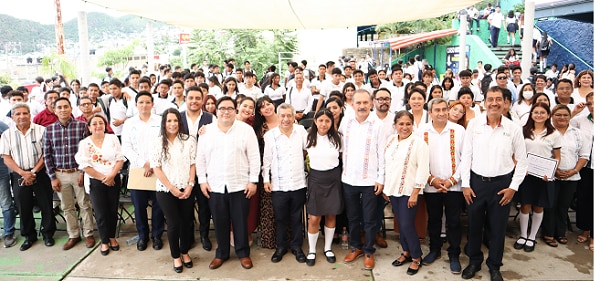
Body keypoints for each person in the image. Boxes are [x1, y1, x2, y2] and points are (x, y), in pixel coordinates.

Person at [460, 86, 527, 281]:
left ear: (506, 103)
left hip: (502, 186)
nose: (494, 103)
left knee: (497, 229)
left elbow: (522, 161)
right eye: (490, 99)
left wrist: (513, 188)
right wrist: (465, 184)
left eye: (499, 99)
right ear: (484, 102)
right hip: (476, 184)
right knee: (474, 226)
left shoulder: (513, 129)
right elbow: (466, 156)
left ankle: (495, 266)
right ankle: (474, 261)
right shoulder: (474, 125)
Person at [197, 96, 260, 270]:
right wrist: (202, 180)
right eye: (222, 108)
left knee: (240, 221)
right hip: (215, 185)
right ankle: (222, 253)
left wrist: (253, 181)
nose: (226, 111)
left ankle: (243, 253)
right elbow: (200, 158)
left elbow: (254, 157)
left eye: (230, 108)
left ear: (235, 110)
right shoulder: (207, 131)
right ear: (216, 111)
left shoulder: (246, 130)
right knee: (219, 221)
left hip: (240, 184)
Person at [416, 98, 465, 274]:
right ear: (430, 113)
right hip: (432, 186)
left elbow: (465, 158)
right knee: (434, 220)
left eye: (444, 109)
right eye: (437, 110)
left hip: (454, 186)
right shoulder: (421, 131)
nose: (442, 113)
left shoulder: (458, 130)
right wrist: (432, 180)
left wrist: (452, 180)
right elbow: (418, 160)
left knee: (453, 221)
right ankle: (434, 249)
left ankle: (454, 254)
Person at [339, 89, 386, 269]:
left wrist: (381, 178)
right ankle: (356, 247)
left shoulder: (377, 124)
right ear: (352, 104)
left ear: (371, 103)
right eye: (358, 103)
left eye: (365, 103)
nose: (362, 106)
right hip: (349, 178)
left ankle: (368, 250)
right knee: (352, 216)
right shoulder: (346, 121)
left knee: (369, 218)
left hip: (370, 180)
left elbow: (382, 153)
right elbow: (342, 147)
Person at [43, 97, 96, 250]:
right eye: (59, 107)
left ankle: (89, 234)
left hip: (78, 172)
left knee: (85, 204)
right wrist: (52, 177)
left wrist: (82, 173)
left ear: (71, 108)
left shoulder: (81, 127)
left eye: (66, 106)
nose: (63, 110)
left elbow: (87, 152)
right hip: (60, 174)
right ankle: (73, 235)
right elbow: (47, 155)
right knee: (67, 207)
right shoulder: (49, 130)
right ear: (54, 110)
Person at [2, 103, 55, 251]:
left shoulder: (41, 130)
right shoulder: (7, 135)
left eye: (25, 113)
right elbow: (6, 157)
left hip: (40, 173)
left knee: (45, 204)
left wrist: (33, 172)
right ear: (12, 117)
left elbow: (46, 154)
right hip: (19, 174)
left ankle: (48, 234)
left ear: (30, 115)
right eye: (18, 114)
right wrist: (22, 172)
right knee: (23, 205)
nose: (22, 116)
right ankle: (29, 236)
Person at [383, 110, 429, 275]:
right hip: (393, 190)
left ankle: (417, 257)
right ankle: (406, 252)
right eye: (401, 124)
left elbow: (423, 170)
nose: (404, 127)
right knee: (401, 224)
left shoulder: (419, 143)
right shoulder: (390, 140)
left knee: (407, 224)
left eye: (408, 124)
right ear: (395, 125)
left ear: (413, 125)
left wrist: (415, 192)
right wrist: (386, 188)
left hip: (409, 191)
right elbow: (388, 165)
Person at [150, 108, 197, 273]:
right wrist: (172, 188)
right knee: (174, 223)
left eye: (175, 120)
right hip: (166, 190)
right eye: (169, 121)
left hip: (187, 188)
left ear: (180, 122)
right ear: (164, 123)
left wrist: (191, 184)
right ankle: (176, 256)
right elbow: (156, 167)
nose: (172, 124)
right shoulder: (157, 142)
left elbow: (193, 163)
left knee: (186, 222)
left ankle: (184, 252)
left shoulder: (188, 140)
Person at [263, 103, 308, 264]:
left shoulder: (301, 132)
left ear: (294, 116)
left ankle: (297, 247)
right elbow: (266, 160)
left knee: (297, 218)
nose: (286, 119)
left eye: (289, 115)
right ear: (278, 116)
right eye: (282, 116)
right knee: (280, 218)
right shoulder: (270, 135)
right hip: (278, 184)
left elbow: (309, 149)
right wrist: (266, 179)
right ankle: (281, 247)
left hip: (298, 183)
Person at [514, 102, 561, 252]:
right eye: (536, 112)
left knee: (539, 206)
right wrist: (520, 167)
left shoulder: (554, 134)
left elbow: (557, 156)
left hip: (544, 176)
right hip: (526, 174)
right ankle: (522, 235)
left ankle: (532, 236)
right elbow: (515, 153)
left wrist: (552, 171)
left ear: (548, 115)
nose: (539, 115)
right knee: (525, 205)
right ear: (531, 114)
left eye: (542, 112)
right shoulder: (523, 131)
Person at [121, 92, 165, 251]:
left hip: (158, 169)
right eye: (141, 102)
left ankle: (157, 236)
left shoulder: (161, 121)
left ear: (153, 104)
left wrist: (153, 164)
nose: (144, 105)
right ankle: (143, 236)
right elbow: (126, 147)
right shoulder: (129, 123)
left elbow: (164, 144)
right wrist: (143, 163)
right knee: (139, 207)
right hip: (138, 170)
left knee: (158, 206)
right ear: (136, 104)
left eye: (148, 102)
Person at [75, 114, 125, 256]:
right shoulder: (85, 143)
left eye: (101, 123)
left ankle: (112, 237)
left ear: (105, 125)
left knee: (112, 211)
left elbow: (120, 159)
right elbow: (84, 165)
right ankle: (104, 241)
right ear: (89, 127)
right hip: (95, 182)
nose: (98, 126)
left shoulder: (112, 138)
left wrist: (111, 176)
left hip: (113, 179)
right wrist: (104, 178)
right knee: (101, 213)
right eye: (94, 124)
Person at [541, 105, 590, 247]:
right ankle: (548, 233)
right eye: (558, 115)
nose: (562, 118)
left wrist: (574, 171)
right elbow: (543, 153)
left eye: (565, 115)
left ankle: (560, 232)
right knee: (551, 205)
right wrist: (554, 170)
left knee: (563, 206)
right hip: (552, 175)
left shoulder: (578, 134)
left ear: (570, 116)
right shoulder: (547, 132)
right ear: (552, 116)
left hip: (572, 176)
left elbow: (584, 155)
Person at [304, 108, 343, 266]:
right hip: (316, 179)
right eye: (321, 120)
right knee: (314, 217)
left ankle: (327, 248)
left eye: (328, 121)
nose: (324, 124)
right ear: (315, 121)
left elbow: (341, 156)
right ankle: (312, 250)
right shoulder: (307, 137)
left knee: (331, 215)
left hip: (333, 178)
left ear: (332, 122)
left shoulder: (338, 137)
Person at [180, 86, 215, 252]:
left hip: (204, 169)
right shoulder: (177, 118)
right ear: (185, 99)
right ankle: (188, 236)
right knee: (185, 206)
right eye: (190, 98)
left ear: (203, 100)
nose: (194, 101)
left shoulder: (210, 118)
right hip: (183, 170)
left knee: (204, 205)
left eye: (197, 98)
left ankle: (204, 235)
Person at [254, 96, 280, 250]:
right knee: (268, 206)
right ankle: (269, 239)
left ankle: (286, 239)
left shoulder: (286, 120)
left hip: (285, 169)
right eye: (263, 106)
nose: (267, 107)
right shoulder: (259, 127)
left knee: (284, 205)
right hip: (266, 171)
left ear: (274, 104)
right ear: (260, 112)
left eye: (269, 104)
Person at [570, 92, 594, 251]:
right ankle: (585, 229)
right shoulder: (581, 121)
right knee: (585, 200)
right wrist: (575, 112)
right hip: (586, 166)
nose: (593, 106)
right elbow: (562, 124)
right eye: (590, 103)